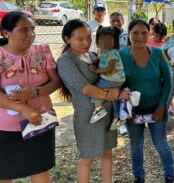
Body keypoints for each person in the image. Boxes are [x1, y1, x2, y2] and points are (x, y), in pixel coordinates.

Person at [57, 19, 127, 183]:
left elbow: (113, 75)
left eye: (88, 37)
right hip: (88, 117)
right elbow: (85, 89)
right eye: (80, 39)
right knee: (87, 159)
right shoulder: (66, 61)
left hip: (107, 113)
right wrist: (115, 94)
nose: (86, 42)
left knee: (107, 153)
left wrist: (117, 90)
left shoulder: (95, 55)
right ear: (67, 39)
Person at [0, 11, 61, 182]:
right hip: (5, 128)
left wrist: (35, 92)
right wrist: (23, 108)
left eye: (33, 29)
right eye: (24, 30)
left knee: (40, 170)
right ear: (6, 32)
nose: (31, 34)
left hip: (41, 120)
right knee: (4, 173)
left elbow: (56, 82)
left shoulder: (42, 52)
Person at [119, 19, 174, 183]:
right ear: (128, 35)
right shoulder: (121, 55)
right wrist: (124, 111)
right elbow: (116, 84)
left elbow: (168, 80)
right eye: (135, 33)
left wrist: (162, 105)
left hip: (156, 108)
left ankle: (170, 175)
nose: (140, 37)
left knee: (160, 142)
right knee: (136, 144)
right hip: (132, 112)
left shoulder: (158, 53)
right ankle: (138, 177)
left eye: (144, 33)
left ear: (149, 34)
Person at [88, 26, 126, 130]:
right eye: (102, 39)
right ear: (97, 41)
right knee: (113, 98)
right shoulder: (103, 51)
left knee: (96, 88)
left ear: (114, 42)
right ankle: (117, 117)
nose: (105, 42)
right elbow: (99, 58)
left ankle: (99, 108)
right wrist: (94, 62)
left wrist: (96, 71)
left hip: (113, 79)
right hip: (114, 79)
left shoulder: (113, 52)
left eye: (109, 39)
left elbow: (110, 68)